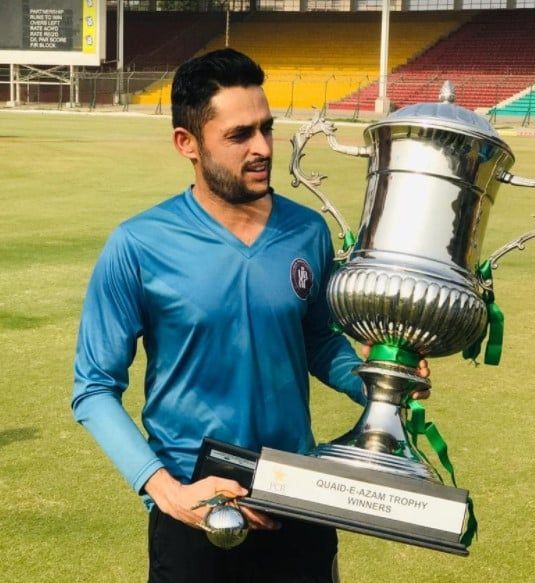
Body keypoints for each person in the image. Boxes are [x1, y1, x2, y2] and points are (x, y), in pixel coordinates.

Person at [72, 48, 430, 583]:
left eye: (266, 128)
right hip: (196, 507)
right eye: (239, 135)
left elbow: (317, 340)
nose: (262, 148)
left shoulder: (307, 231)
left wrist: (379, 383)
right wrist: (165, 491)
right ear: (187, 143)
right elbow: (94, 388)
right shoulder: (139, 245)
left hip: (299, 497)